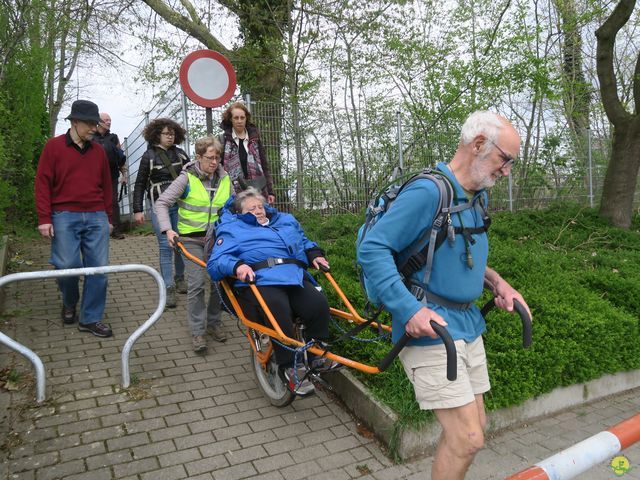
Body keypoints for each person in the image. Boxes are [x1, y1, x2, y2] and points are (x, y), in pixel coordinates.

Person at [357, 111, 532, 480]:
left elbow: (455, 257)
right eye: (506, 159)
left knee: (474, 428)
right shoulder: (428, 191)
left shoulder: (477, 196)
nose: (507, 171)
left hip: (467, 324)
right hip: (430, 325)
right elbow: (373, 250)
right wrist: (409, 310)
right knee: (467, 437)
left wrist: (497, 282)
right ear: (479, 144)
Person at [207, 187, 331, 395]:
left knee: (318, 303)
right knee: (277, 308)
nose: (257, 210)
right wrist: (237, 266)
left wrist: (314, 253)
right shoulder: (233, 228)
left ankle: (316, 354)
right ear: (240, 213)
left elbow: (304, 242)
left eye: (260, 206)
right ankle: (290, 367)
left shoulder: (284, 222)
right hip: (260, 280)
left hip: (293, 276)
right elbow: (217, 261)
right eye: (251, 208)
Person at [34, 99, 113, 338]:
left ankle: (90, 319)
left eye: (95, 124)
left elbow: (107, 186)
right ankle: (69, 301)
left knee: (98, 269)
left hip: (96, 214)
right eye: (89, 124)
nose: (93, 128)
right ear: (75, 122)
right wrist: (44, 218)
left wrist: (108, 217)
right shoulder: (54, 147)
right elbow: (42, 184)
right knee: (66, 266)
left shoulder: (98, 151)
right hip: (63, 215)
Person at [155, 136, 232, 353]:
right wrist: (167, 229)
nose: (214, 162)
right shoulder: (186, 179)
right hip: (190, 239)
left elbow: (234, 207)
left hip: (217, 239)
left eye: (217, 157)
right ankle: (198, 331)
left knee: (219, 282)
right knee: (197, 283)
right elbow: (162, 203)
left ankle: (214, 322)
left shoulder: (225, 179)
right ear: (198, 157)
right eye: (209, 157)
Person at [132, 118, 189, 308]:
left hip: (180, 205)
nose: (170, 137)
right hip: (159, 206)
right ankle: (168, 286)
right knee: (166, 246)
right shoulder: (148, 156)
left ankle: (180, 278)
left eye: (172, 133)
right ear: (157, 134)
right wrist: (138, 209)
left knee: (180, 244)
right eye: (166, 133)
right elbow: (140, 183)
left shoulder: (181, 155)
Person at [219, 102, 275, 204]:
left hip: (258, 190)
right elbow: (219, 167)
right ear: (230, 119)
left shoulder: (255, 140)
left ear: (246, 118)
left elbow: (264, 166)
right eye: (236, 118)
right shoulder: (223, 140)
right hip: (233, 191)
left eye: (242, 117)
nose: (239, 121)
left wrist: (270, 192)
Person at [94, 112, 126, 239]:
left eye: (110, 120)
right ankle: (98, 231)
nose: (109, 122)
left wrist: (124, 174)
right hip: (94, 176)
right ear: (99, 121)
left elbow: (121, 158)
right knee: (96, 202)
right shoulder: (91, 137)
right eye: (106, 120)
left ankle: (116, 230)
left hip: (111, 175)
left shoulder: (113, 138)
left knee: (113, 201)